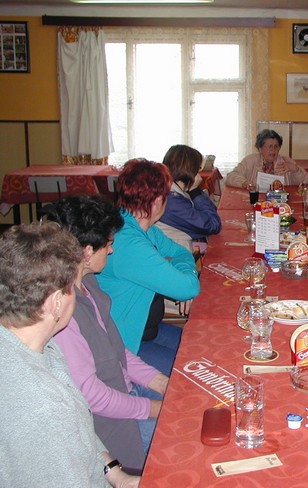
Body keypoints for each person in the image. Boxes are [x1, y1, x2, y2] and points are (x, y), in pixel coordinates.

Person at [0, 223, 140, 487]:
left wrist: (117, 475)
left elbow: (81, 432)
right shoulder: (46, 408)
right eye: (71, 288)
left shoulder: (38, 347)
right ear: (56, 302)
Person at [42, 195, 168, 474]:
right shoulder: (63, 314)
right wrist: (156, 408)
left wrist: (162, 383)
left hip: (125, 395)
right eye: (108, 244)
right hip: (110, 429)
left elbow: (117, 351)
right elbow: (93, 396)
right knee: (186, 436)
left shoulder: (89, 284)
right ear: (87, 252)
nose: (110, 251)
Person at [97, 159, 200, 375]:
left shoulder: (137, 226)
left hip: (145, 329)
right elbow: (188, 287)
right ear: (158, 201)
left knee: (199, 348)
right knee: (193, 373)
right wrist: (184, 278)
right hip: (122, 346)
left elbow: (181, 253)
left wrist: (183, 272)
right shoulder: (129, 243)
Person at [157, 144, 221, 252]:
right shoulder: (172, 201)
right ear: (191, 170)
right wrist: (195, 192)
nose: (200, 172)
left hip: (172, 249)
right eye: (198, 168)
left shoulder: (169, 189)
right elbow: (213, 225)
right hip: (174, 255)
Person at [225, 129, 308, 188]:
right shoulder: (250, 161)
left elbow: (307, 181)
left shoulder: (285, 162)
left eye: (276, 146)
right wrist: (244, 182)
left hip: (280, 203)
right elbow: (230, 177)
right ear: (260, 149)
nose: (273, 150)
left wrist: (295, 170)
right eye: (270, 146)